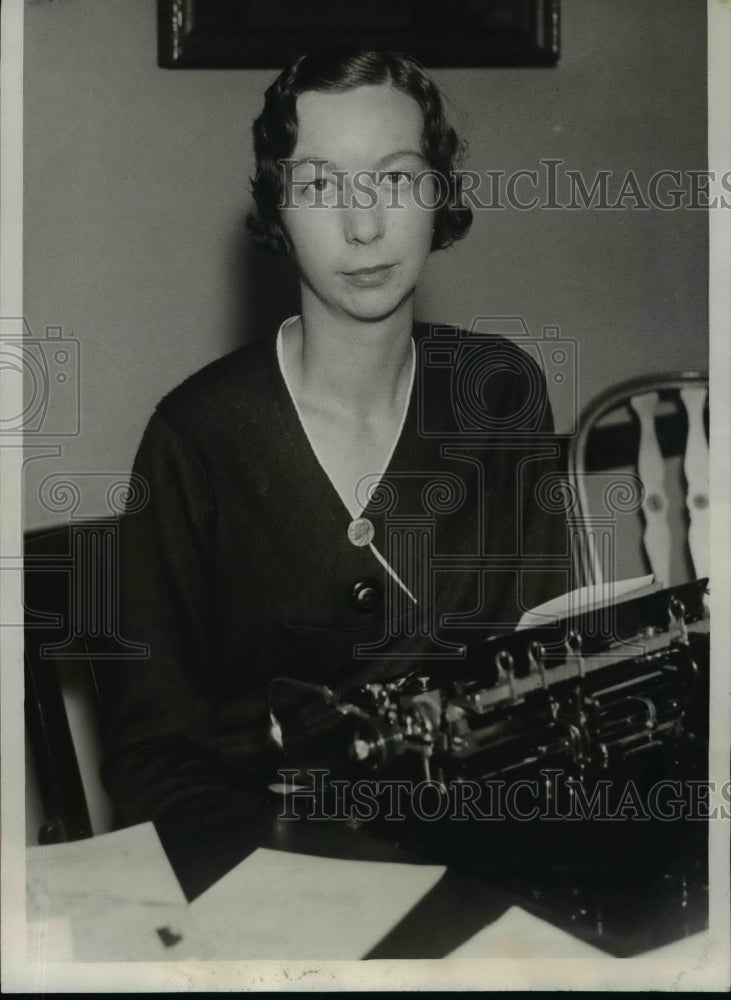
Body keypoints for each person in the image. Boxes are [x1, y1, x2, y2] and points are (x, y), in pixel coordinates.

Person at [96, 50, 570, 845]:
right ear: (277, 209)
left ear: (438, 193)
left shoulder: (498, 393)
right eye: (319, 186)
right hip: (273, 870)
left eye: (396, 178)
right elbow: (154, 760)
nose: (364, 226)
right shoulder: (195, 439)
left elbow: (542, 666)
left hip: (486, 849)